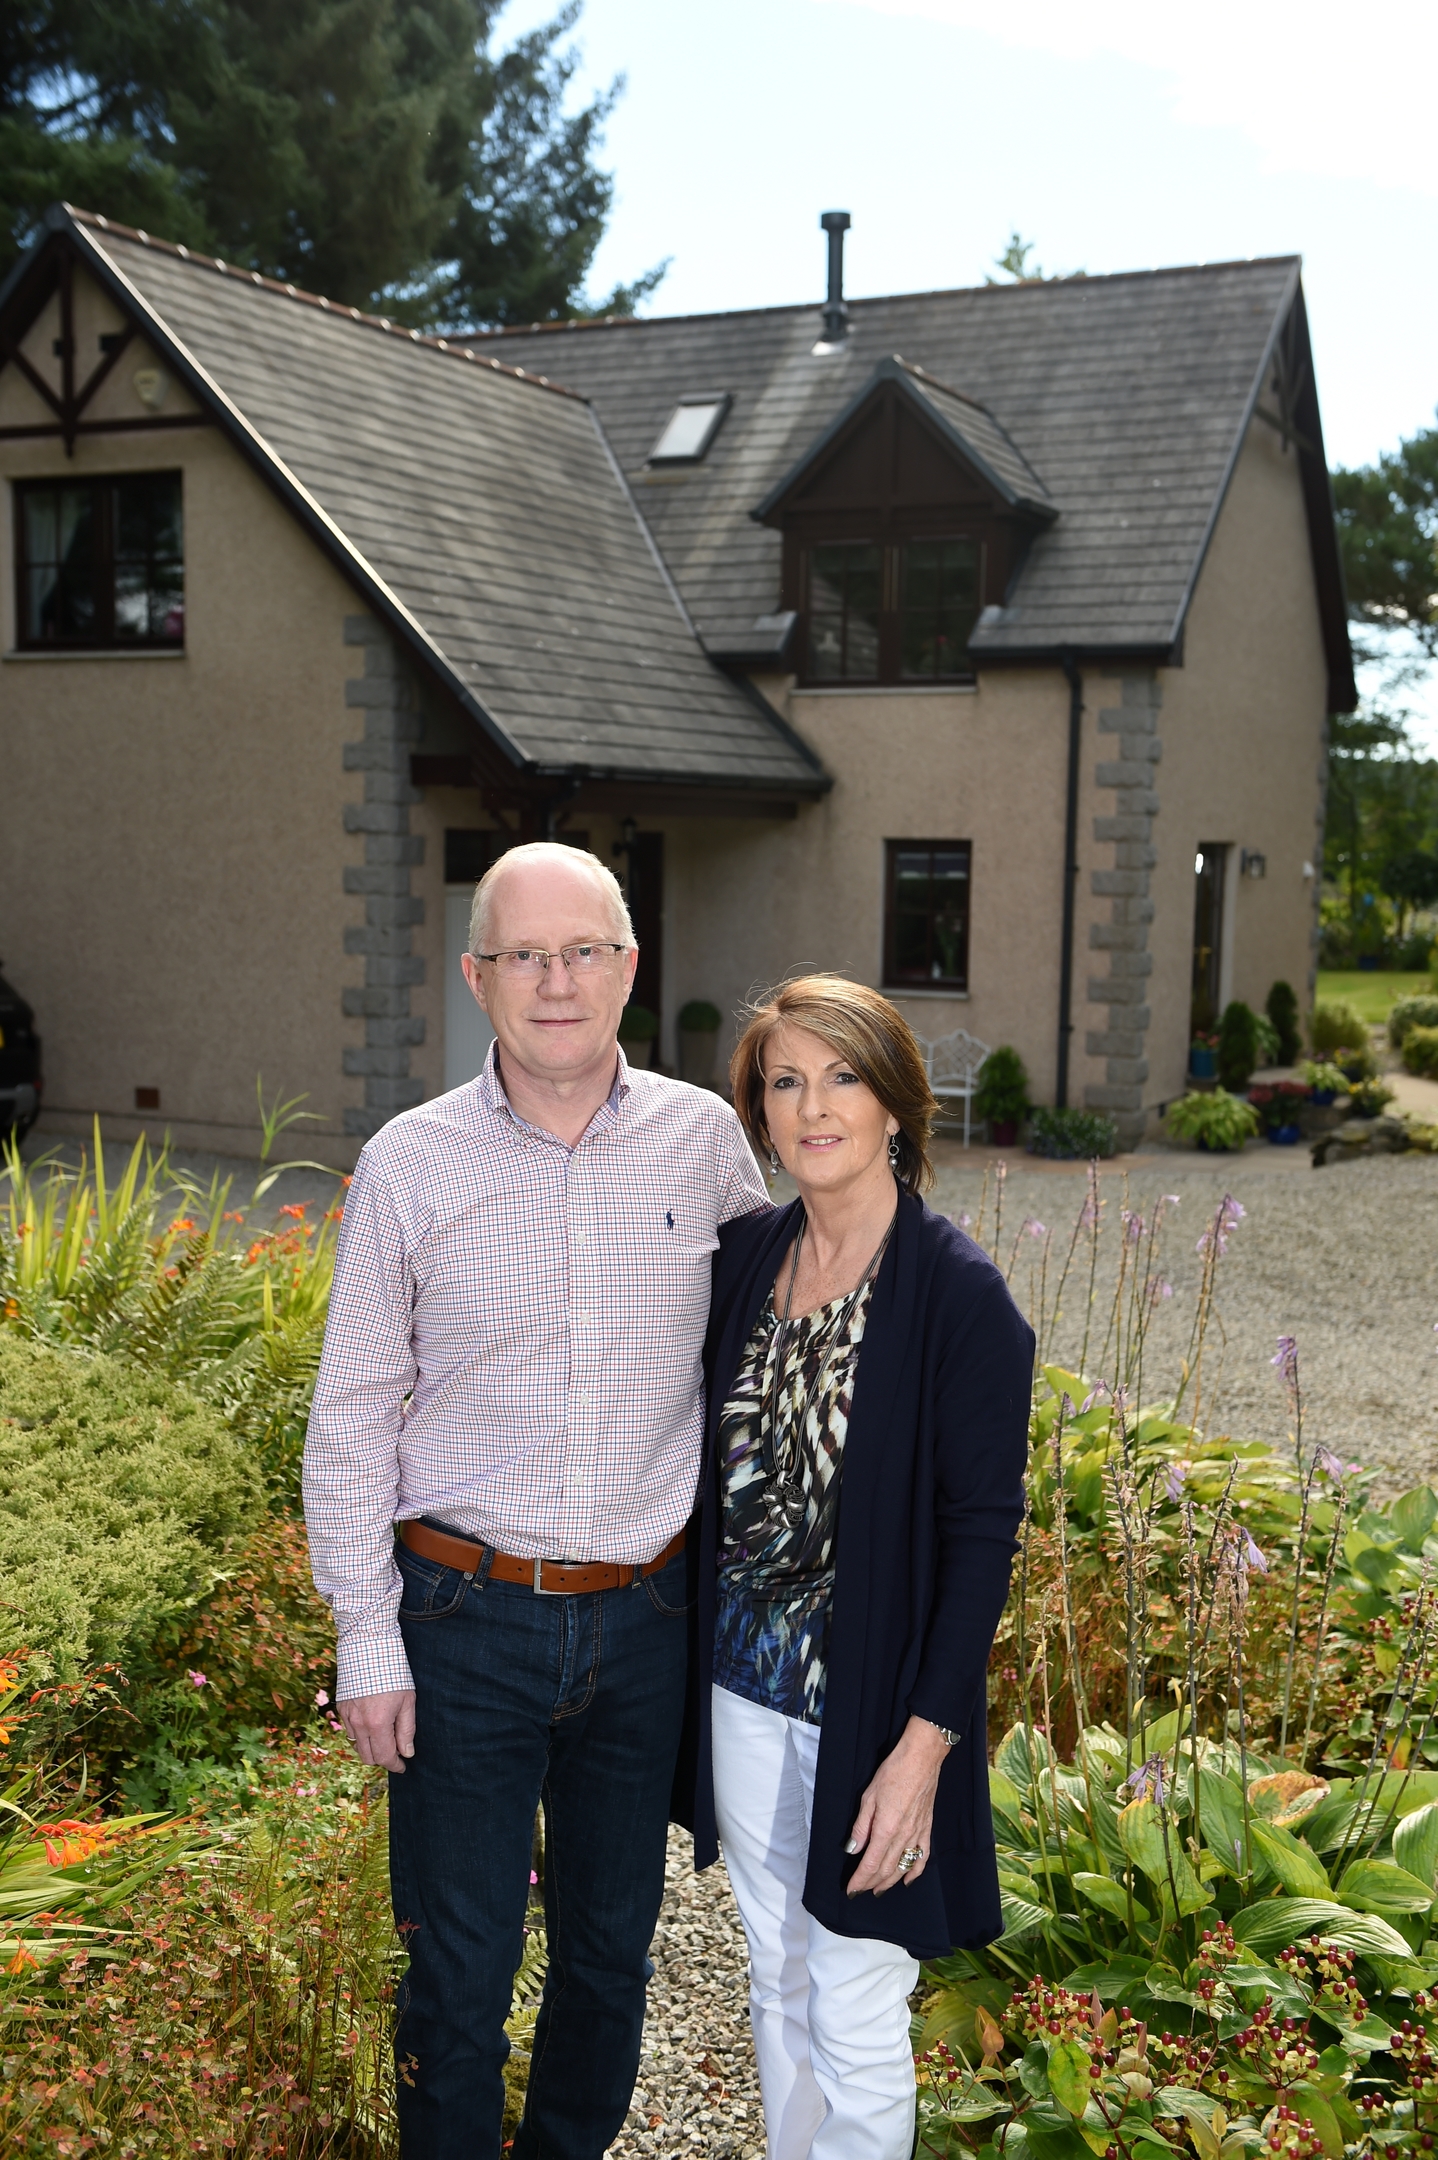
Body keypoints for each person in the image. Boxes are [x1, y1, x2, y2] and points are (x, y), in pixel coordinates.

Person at [303, 841, 770, 2160]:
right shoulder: (411, 1161)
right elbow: (348, 1418)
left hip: (644, 1626)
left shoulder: (704, 1146)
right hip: (461, 1624)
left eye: (582, 952)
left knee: (609, 1963)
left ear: (627, 967)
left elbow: (769, 1354)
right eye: (522, 954)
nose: (553, 981)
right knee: (453, 1980)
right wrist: (366, 1638)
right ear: (477, 975)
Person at [683, 975, 1033, 2160]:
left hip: (873, 1713)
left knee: (856, 1997)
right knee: (776, 1968)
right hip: (740, 1687)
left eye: (841, 1076)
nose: (812, 1106)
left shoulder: (959, 1298)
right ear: (759, 1110)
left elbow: (982, 1538)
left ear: (895, 1105)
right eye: (785, 1081)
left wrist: (922, 1752)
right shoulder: (741, 1263)